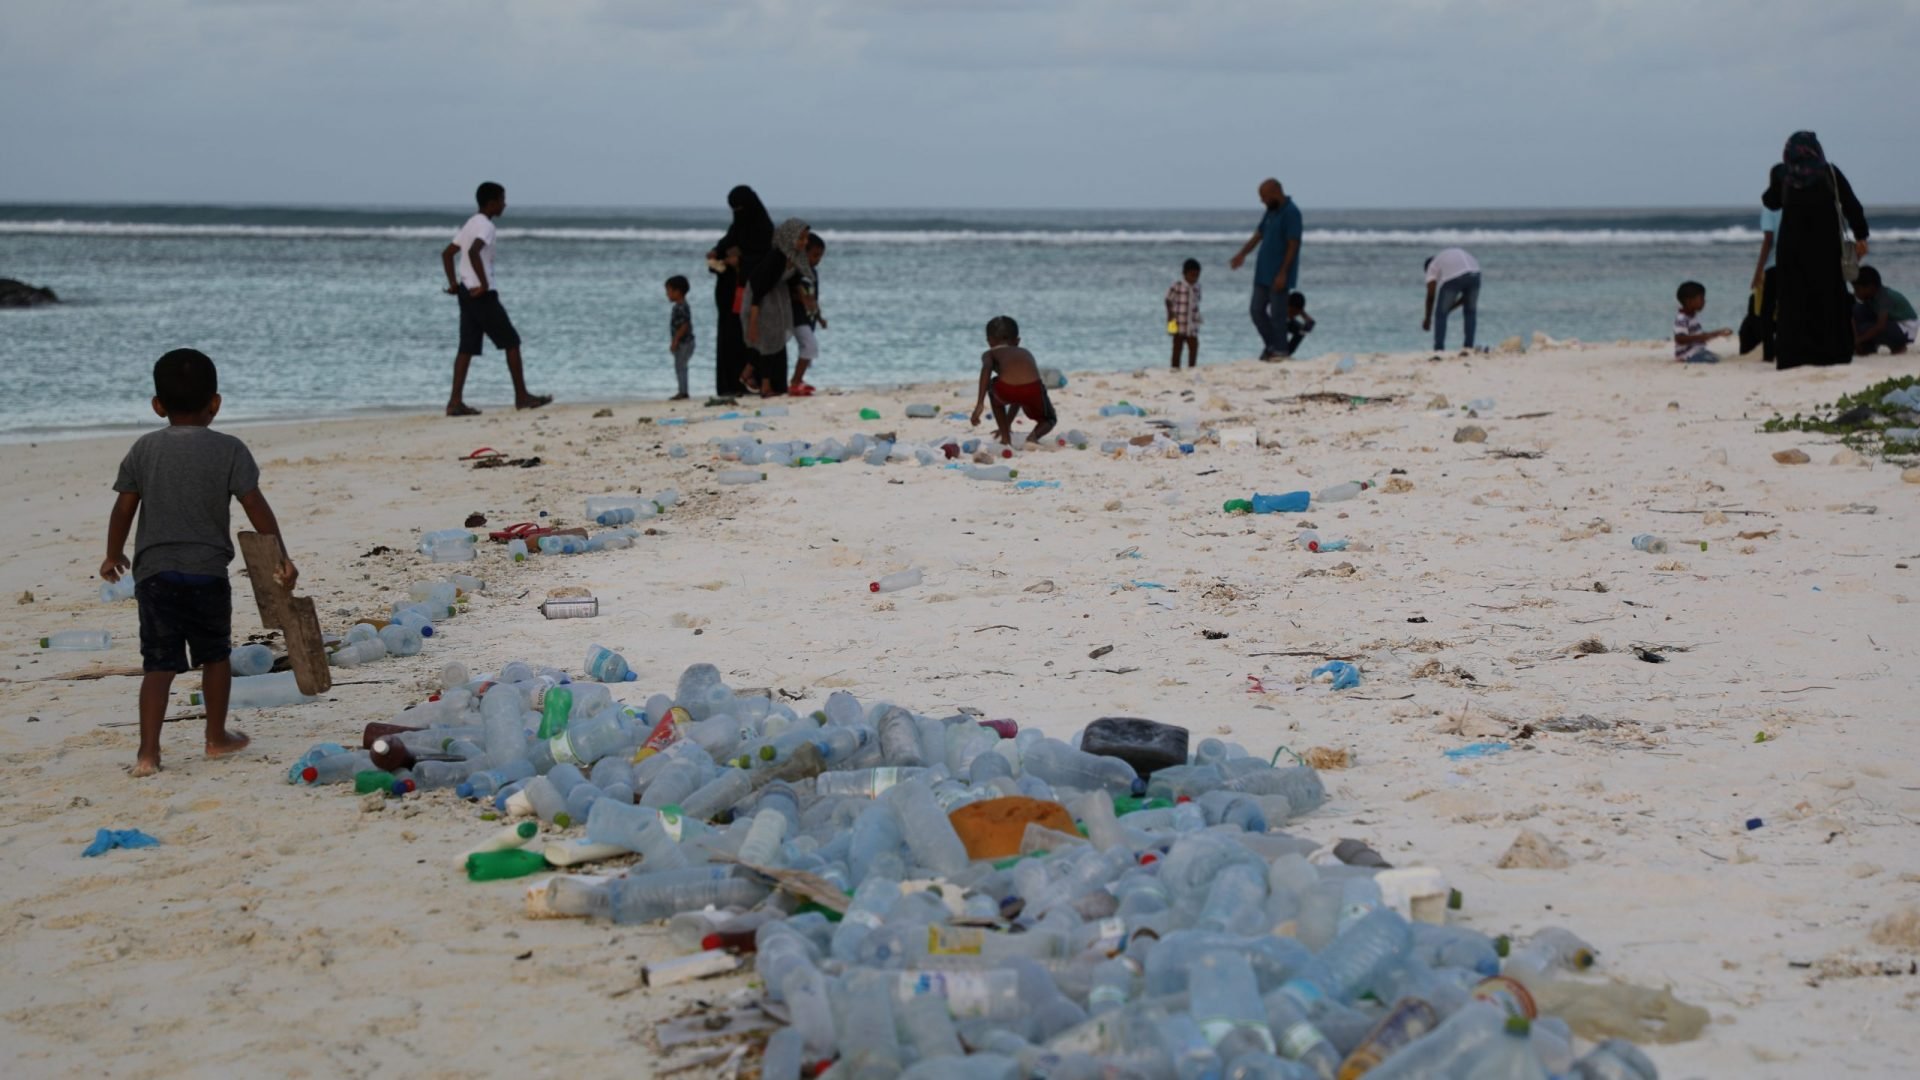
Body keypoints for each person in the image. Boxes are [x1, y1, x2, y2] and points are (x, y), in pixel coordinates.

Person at [101, 349, 298, 777]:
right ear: (215, 403)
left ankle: (148, 753)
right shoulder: (230, 450)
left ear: (158, 405)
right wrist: (280, 556)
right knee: (215, 656)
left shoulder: (144, 449)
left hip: (155, 576)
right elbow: (255, 507)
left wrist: (113, 554)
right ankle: (215, 737)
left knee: (158, 665)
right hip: (207, 573)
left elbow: (124, 508)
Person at [439, 182, 550, 416]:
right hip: (482, 295)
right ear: (491, 203)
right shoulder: (486, 226)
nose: (505, 204)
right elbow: (473, 251)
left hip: (466, 292)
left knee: (466, 348)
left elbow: (448, 254)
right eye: (502, 200)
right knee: (512, 342)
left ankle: (455, 402)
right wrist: (484, 284)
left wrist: (453, 284)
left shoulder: (471, 222)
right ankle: (522, 397)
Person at [1766, 132, 1870, 370]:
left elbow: (1771, 202)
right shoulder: (1829, 172)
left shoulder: (1782, 173)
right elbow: (1851, 204)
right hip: (1825, 248)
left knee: (1793, 300)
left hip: (1792, 250)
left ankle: (1793, 356)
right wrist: (1861, 235)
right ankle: (1831, 354)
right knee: (1829, 297)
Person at [707, 186, 774, 398]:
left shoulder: (764, 229)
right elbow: (727, 242)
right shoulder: (737, 226)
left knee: (751, 336)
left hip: (751, 293)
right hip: (729, 292)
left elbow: (765, 260)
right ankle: (730, 384)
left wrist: (741, 262)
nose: (738, 213)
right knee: (729, 336)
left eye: (740, 209)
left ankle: (754, 380)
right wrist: (716, 253)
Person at [1228, 178, 1303, 360]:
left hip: (1279, 274)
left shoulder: (1291, 213)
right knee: (1256, 310)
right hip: (1262, 273)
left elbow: (1293, 244)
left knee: (1278, 315)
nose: (1262, 201)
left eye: (1264, 197)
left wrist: (1283, 272)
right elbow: (1259, 235)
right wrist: (1242, 254)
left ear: (1275, 193)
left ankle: (1280, 351)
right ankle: (1273, 346)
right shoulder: (1271, 211)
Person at [741, 218, 814, 398]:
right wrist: (753, 322)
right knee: (767, 340)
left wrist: (805, 298)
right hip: (760, 299)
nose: (804, 242)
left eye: (806, 238)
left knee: (772, 340)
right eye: (800, 238)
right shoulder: (776, 257)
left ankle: (747, 372)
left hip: (776, 297)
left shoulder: (795, 255)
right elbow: (758, 290)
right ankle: (765, 386)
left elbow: (795, 280)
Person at [971, 315, 1057, 447]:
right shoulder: (1025, 352)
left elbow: (986, 369)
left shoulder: (990, 354)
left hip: (1006, 389)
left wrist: (980, 403)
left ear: (989, 341)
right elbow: (1018, 396)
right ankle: (1033, 437)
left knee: (993, 386)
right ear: (1017, 341)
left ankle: (1005, 438)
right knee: (1050, 419)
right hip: (1033, 389)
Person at [789, 233, 828, 396]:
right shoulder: (796, 271)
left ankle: (799, 380)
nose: (817, 260)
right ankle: (795, 381)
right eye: (814, 255)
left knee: (807, 348)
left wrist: (819, 317)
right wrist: (801, 298)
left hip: (809, 317)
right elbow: (791, 292)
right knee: (809, 346)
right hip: (796, 316)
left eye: (820, 256)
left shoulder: (813, 273)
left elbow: (813, 297)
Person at [1423, 248, 1482, 351]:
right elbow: (1464, 299)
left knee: (1440, 314)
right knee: (1470, 312)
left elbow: (1431, 296)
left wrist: (1427, 319)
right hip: (1475, 274)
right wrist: (1449, 307)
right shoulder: (1444, 259)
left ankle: (1439, 348)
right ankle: (1468, 347)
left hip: (1455, 277)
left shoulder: (1432, 266)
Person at [1852, 266, 1916, 355]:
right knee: (1857, 311)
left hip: (1906, 328)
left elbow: (1880, 326)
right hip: (1892, 322)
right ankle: (1867, 348)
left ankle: (1898, 346)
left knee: (1864, 328)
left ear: (1870, 287)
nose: (1855, 293)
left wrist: (1858, 340)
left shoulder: (1883, 297)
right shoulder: (1871, 297)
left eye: (1857, 289)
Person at [1748, 195, 1782, 361]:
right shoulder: (1796, 205)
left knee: (1767, 311)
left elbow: (1768, 240)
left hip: (1775, 265)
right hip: (1797, 265)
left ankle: (1769, 353)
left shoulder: (1770, 208)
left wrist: (1758, 271)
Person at [1673, 281, 1732, 364]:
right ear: (1689, 301)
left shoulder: (1692, 317)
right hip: (1687, 355)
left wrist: (1718, 333)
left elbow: (1699, 335)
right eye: (1701, 298)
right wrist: (1702, 337)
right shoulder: (1682, 318)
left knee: (1717, 357)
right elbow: (1680, 338)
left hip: (1697, 352)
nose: (1704, 301)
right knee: (1713, 360)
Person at [1165, 258, 1202, 369]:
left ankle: (1192, 367)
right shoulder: (1177, 286)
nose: (1194, 278)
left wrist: (1198, 317)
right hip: (1178, 322)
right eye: (1192, 275)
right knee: (1177, 347)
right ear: (1184, 274)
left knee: (1194, 346)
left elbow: (1197, 302)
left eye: (1197, 276)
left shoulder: (1198, 287)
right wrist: (1170, 315)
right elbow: (1168, 299)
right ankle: (1175, 368)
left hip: (1192, 324)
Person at [665, 275, 695, 400]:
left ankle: (683, 392)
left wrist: (675, 340)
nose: (667, 294)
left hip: (684, 343)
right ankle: (682, 390)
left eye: (669, 291)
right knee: (680, 366)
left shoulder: (681, 307)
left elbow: (684, 325)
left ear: (678, 291)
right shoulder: (679, 306)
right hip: (684, 342)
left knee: (681, 366)